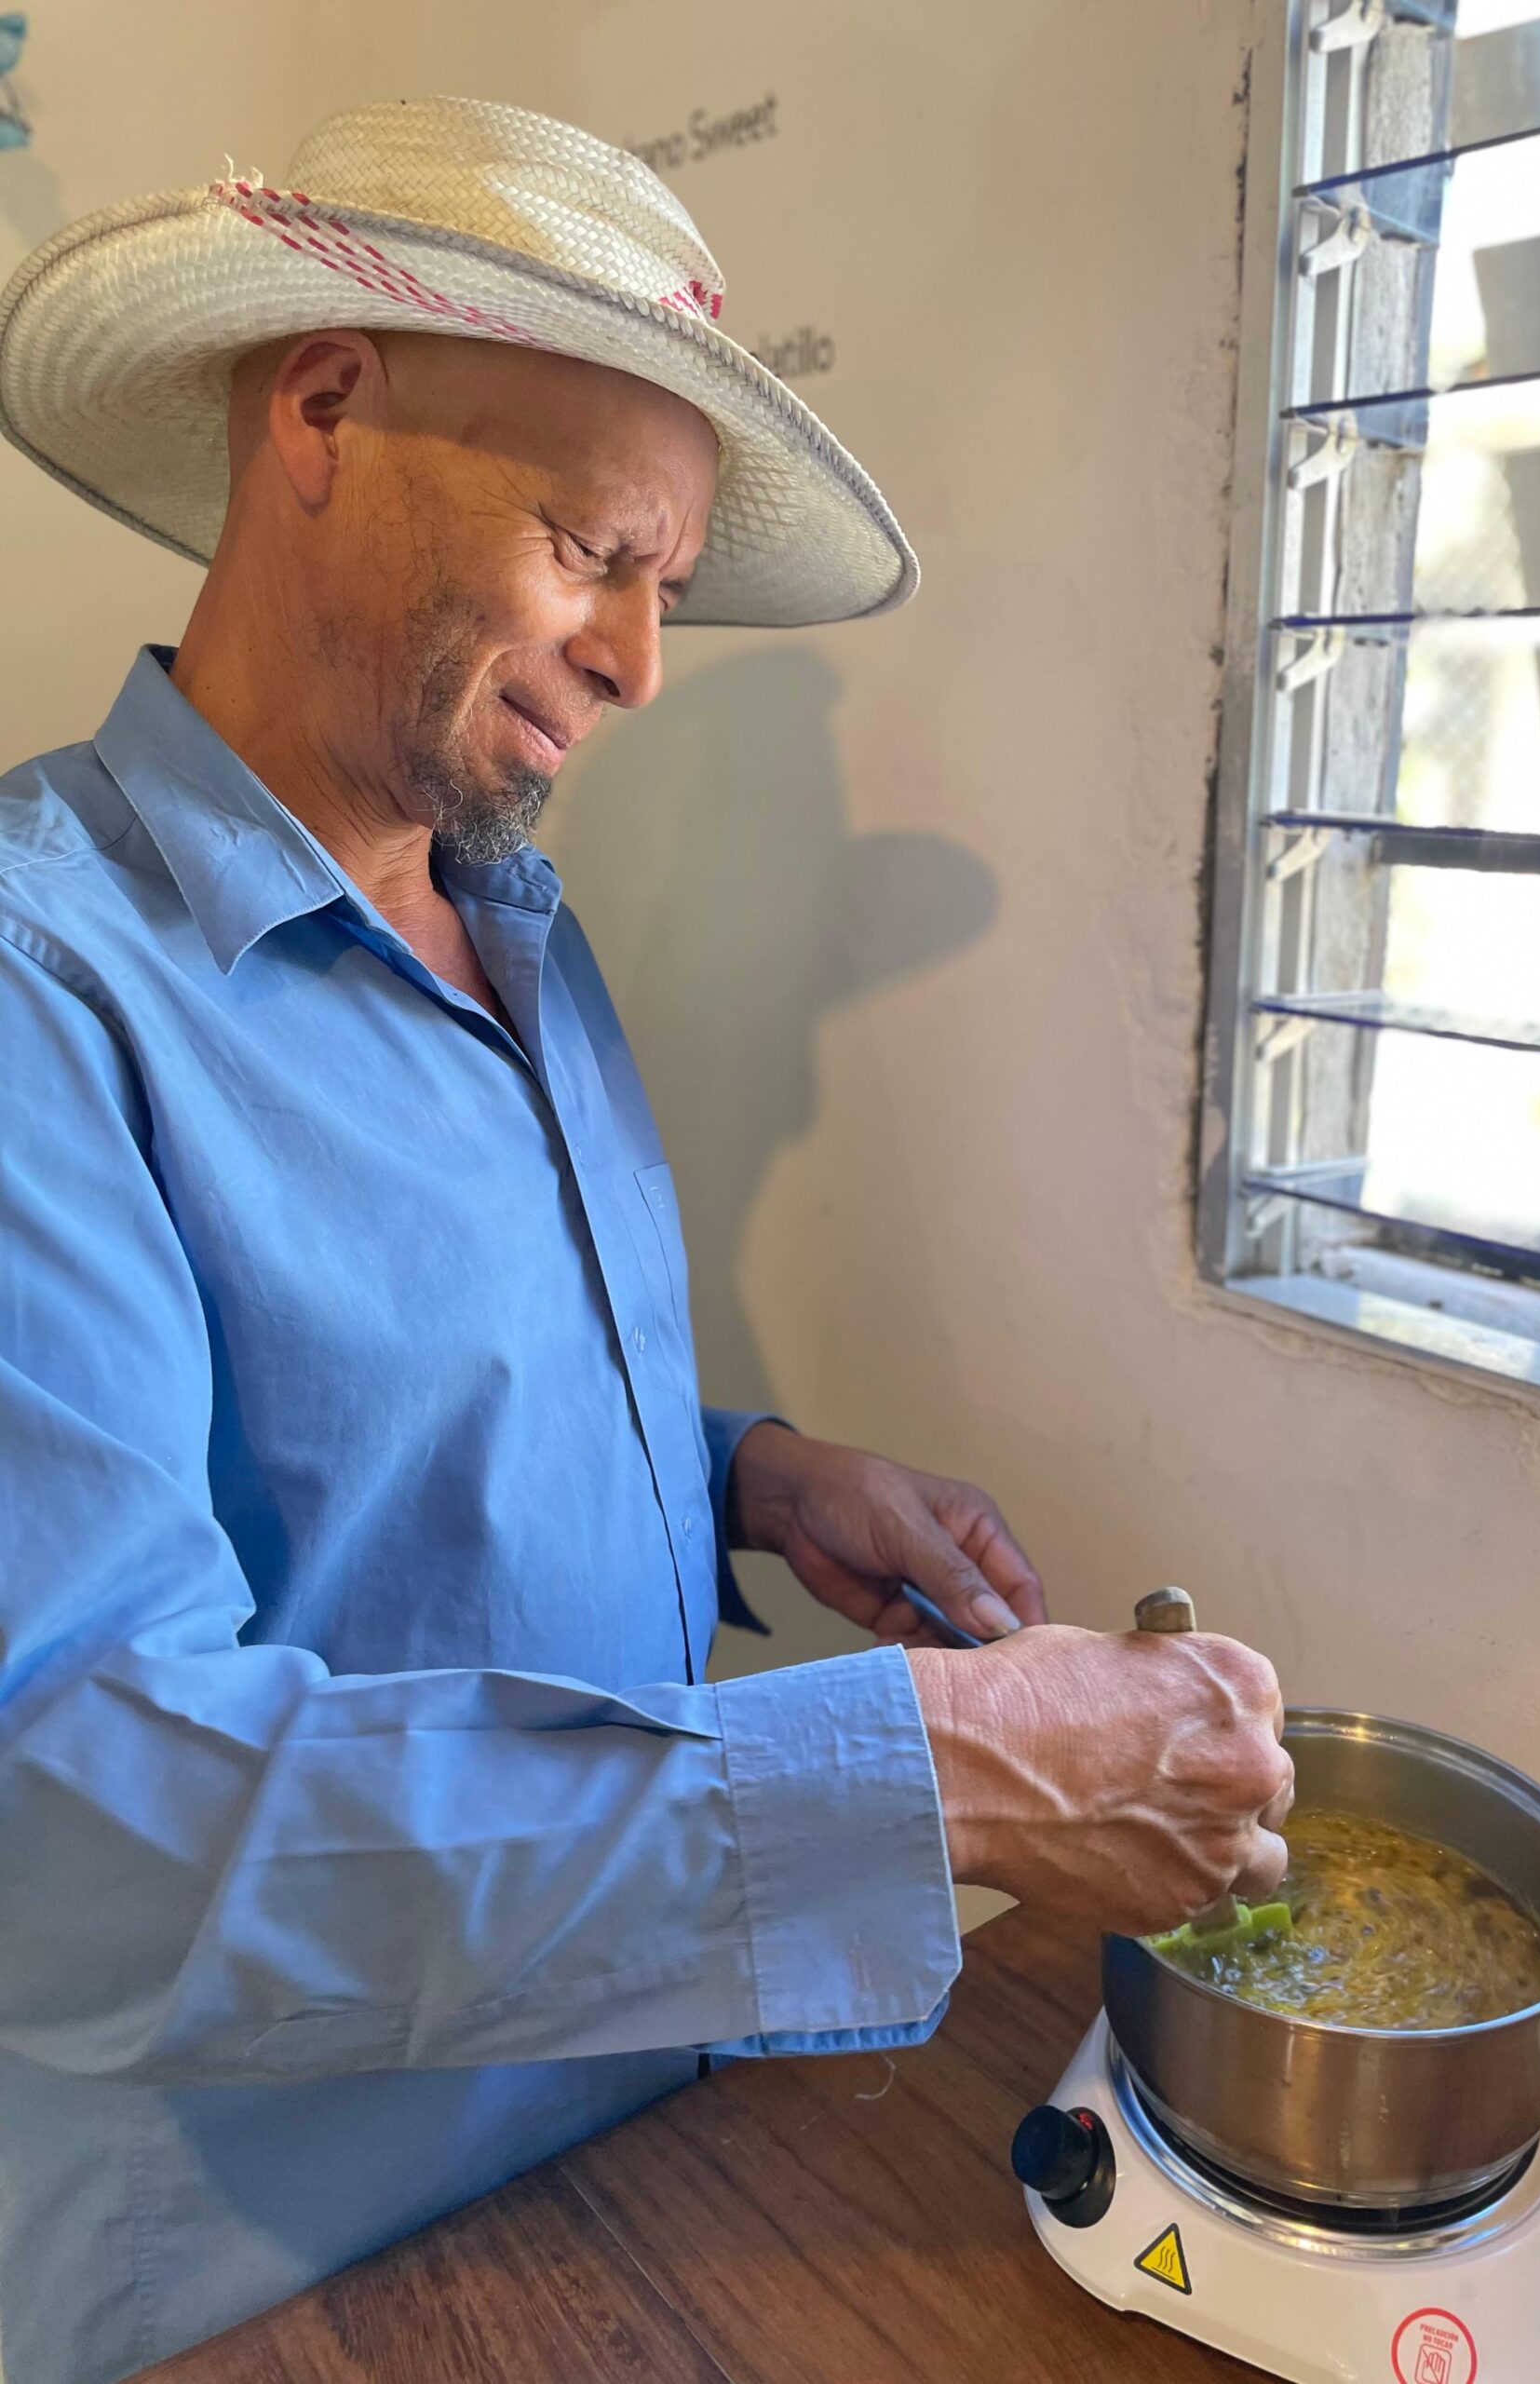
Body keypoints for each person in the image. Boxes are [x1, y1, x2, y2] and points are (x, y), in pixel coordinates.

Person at [0, 99, 1293, 2384]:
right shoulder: (41, 994)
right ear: (322, 404)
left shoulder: (515, 926)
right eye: (596, 548)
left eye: (668, 584)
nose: (639, 659)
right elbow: (82, 1828)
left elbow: (385, 1424)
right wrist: (948, 1767)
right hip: (294, 2275)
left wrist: (742, 1471)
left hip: (667, 2129)